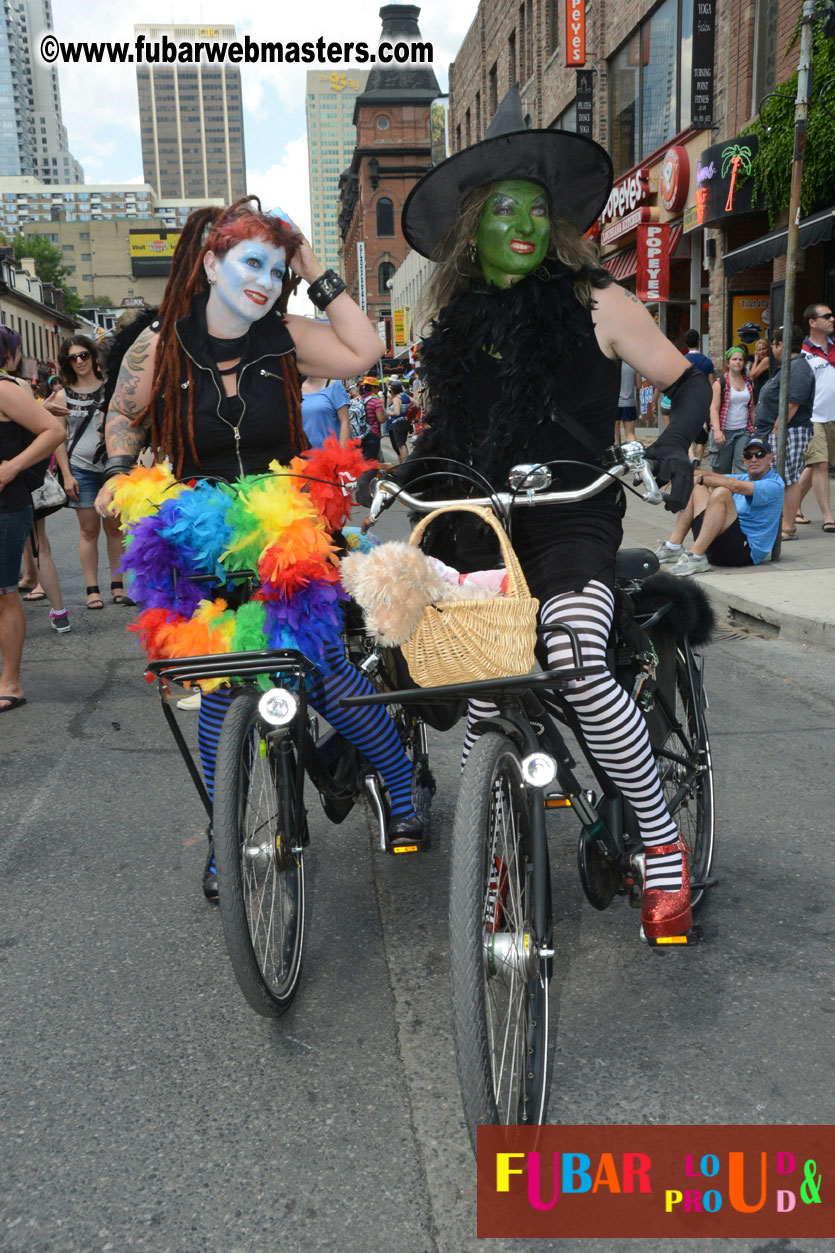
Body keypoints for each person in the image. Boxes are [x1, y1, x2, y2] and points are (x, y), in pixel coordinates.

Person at [393, 86, 713, 940]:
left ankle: (662, 844)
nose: (525, 224)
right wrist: (396, 476)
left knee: (573, 652)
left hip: (572, 512)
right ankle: (490, 855)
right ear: (473, 226)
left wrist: (672, 445)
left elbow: (688, 382)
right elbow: (449, 428)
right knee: (483, 688)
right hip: (483, 520)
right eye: (505, 209)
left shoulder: (596, 300)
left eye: (537, 209)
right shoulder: (457, 322)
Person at [94, 196, 425, 896]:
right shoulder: (162, 342)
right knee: (223, 683)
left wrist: (311, 264)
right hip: (203, 531)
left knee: (322, 668)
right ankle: (228, 836)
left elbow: (366, 351)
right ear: (211, 265)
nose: (265, 281)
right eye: (252, 263)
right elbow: (123, 413)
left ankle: (400, 784)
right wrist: (121, 470)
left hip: (287, 525)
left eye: (276, 271)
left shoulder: (286, 335)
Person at [0, 326, 65, 712]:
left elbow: (53, 431)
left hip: (5, 507)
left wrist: (11, 467)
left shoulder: (4, 388)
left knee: (4, 593)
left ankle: (10, 683)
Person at [54, 335, 133, 610]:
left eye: (84, 355)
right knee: (88, 530)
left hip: (111, 468)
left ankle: (117, 585)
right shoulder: (63, 396)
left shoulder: (110, 388)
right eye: (73, 358)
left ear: (93, 356)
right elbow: (59, 438)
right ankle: (92, 590)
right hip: (80, 469)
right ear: (67, 362)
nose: (79, 361)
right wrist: (67, 475)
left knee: (115, 528)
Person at [655, 435, 784, 576]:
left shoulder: (775, 485)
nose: (753, 459)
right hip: (716, 544)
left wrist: (700, 479)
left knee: (722, 492)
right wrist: (677, 474)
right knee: (696, 486)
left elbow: (736, 486)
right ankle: (673, 547)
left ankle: (696, 556)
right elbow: (713, 476)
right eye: (749, 455)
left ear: (770, 458)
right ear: (743, 459)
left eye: (759, 454)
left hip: (743, 553)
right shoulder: (744, 478)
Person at [751, 326, 815, 540]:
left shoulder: (798, 367)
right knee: (782, 478)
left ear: (781, 345)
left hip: (789, 431)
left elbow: (792, 403)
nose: (772, 348)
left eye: (773, 344)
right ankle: (780, 524)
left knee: (787, 479)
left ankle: (788, 527)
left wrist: (777, 431)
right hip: (777, 430)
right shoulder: (789, 366)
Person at [796, 302, 835, 533]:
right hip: (814, 417)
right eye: (826, 316)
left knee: (813, 465)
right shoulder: (803, 352)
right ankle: (828, 516)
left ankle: (791, 505)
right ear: (812, 322)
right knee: (820, 464)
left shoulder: (834, 346)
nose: (832, 319)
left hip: (833, 416)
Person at [709, 346, 755, 474]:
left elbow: (752, 408)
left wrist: (755, 429)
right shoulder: (720, 383)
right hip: (725, 431)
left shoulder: (748, 382)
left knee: (743, 469)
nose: (738, 362)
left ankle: (740, 488)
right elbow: (714, 409)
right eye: (734, 359)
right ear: (728, 363)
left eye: (741, 359)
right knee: (722, 471)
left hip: (743, 431)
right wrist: (717, 431)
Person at [300, 376, 351, 447]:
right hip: (301, 452)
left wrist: (343, 452)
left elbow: (345, 422)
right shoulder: (295, 387)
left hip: (330, 451)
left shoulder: (334, 385)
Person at [358, 376, 383, 461]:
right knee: (371, 461)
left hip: (359, 434)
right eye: (377, 387)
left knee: (361, 460)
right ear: (373, 388)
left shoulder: (358, 400)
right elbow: (381, 419)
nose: (378, 389)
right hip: (372, 433)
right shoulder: (376, 401)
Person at [385, 380, 410, 464]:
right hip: (405, 421)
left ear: (393, 390)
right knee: (403, 443)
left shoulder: (396, 399)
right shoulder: (405, 396)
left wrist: (389, 412)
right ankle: (405, 462)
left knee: (401, 444)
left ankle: (405, 462)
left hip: (397, 423)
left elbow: (397, 413)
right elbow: (416, 403)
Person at [615, 361, 637, 445]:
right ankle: (632, 451)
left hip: (614, 403)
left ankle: (617, 452)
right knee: (630, 434)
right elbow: (639, 385)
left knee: (615, 436)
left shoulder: (612, 365)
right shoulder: (633, 365)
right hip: (629, 403)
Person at [748, 338, 771, 403]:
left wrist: (755, 360)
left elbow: (752, 375)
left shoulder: (766, 359)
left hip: (763, 391)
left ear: (768, 349)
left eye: (764, 349)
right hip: (760, 391)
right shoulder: (761, 361)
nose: (762, 352)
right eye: (759, 350)